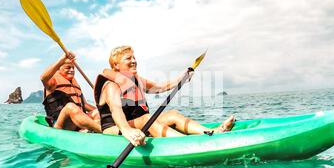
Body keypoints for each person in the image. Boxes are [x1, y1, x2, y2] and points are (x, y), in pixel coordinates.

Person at [94, 45, 235, 146]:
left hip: (137, 123)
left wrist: (183, 77)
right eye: (128, 58)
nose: (133, 61)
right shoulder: (110, 85)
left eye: (134, 57)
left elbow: (161, 87)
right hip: (114, 129)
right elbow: (116, 110)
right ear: (116, 65)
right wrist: (126, 130)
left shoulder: (136, 80)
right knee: (146, 119)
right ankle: (188, 144)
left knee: (172, 114)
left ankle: (213, 132)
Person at [41, 51, 101, 132]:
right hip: (60, 124)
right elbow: (43, 78)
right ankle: (103, 131)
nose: (72, 70)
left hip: (76, 123)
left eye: (73, 68)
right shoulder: (53, 81)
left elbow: (85, 105)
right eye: (68, 67)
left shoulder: (75, 84)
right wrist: (62, 59)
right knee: (70, 106)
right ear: (59, 69)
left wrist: (101, 110)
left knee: (97, 112)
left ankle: (95, 133)